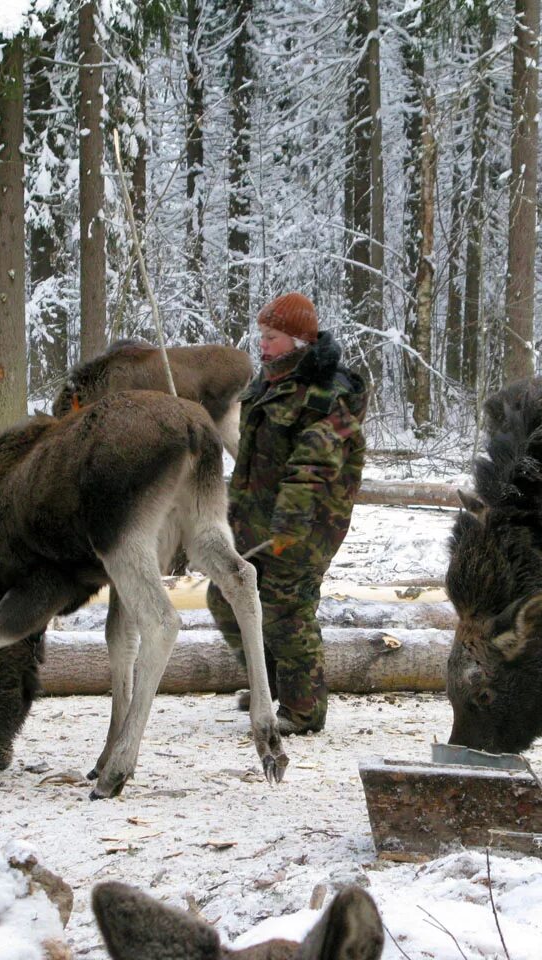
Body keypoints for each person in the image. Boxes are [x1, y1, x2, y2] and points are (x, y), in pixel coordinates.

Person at [207, 292, 368, 736]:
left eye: (272, 337)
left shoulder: (327, 394)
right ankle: (270, 687)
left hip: (306, 526)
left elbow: (313, 463)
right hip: (256, 520)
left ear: (298, 340)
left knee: (286, 610)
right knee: (224, 597)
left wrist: (291, 522)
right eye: (262, 335)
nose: (263, 345)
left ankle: (303, 709)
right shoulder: (270, 382)